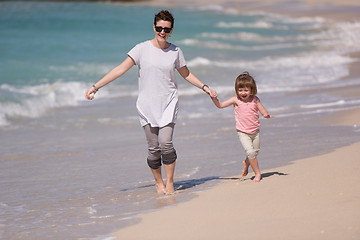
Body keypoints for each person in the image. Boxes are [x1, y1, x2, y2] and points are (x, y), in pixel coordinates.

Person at [85, 10, 216, 194]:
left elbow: (186, 73)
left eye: (167, 29)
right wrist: (95, 86)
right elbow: (120, 69)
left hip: (168, 102)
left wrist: (205, 87)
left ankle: (170, 182)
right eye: (159, 28)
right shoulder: (141, 49)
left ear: (171, 30)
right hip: (147, 105)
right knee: (153, 148)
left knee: (166, 143)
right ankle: (158, 182)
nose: (163, 32)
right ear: (154, 27)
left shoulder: (175, 51)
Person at [210, 72, 274, 182]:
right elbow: (220, 105)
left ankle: (246, 163)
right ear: (236, 90)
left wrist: (266, 115)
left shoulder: (255, 99)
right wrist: (214, 98)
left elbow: (263, 111)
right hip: (243, 132)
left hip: (255, 131)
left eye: (246, 90)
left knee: (255, 152)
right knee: (251, 152)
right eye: (240, 90)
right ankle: (257, 173)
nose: (243, 93)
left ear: (252, 89)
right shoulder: (235, 100)